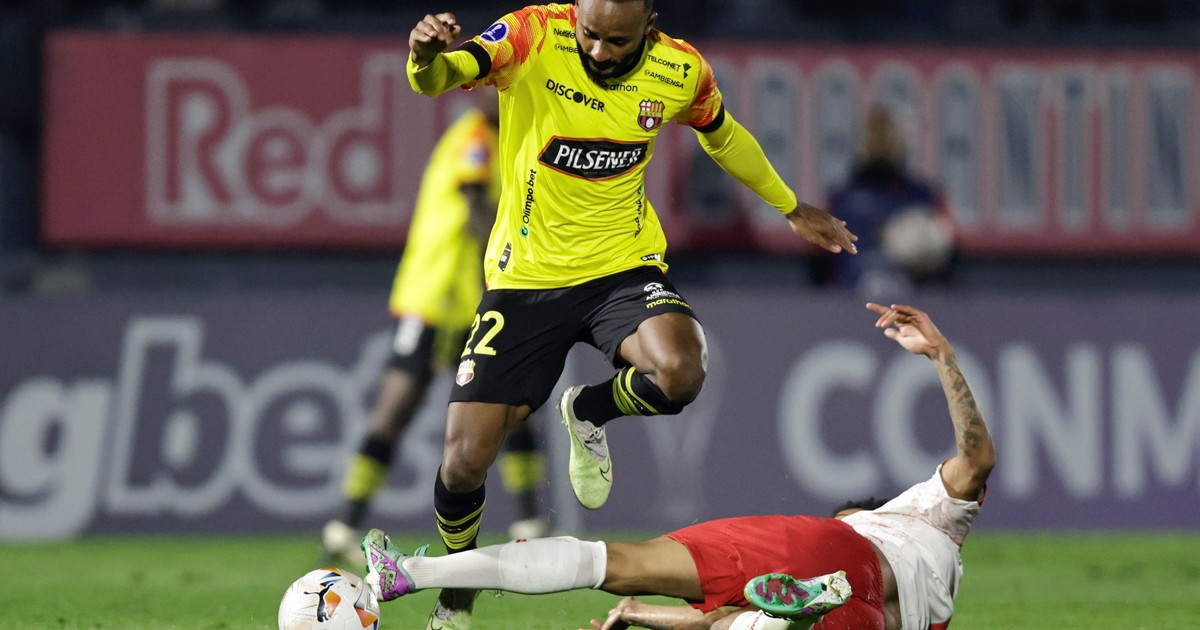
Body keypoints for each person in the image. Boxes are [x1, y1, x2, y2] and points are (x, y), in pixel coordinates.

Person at [402, 1, 859, 625]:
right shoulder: (533, 35)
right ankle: (459, 587)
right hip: (526, 280)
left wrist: (789, 206)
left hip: (622, 267)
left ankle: (589, 409)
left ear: (650, 23)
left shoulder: (680, 69)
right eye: (589, 35)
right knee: (462, 464)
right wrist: (424, 57)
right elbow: (440, 77)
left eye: (617, 41)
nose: (598, 51)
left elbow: (723, 134)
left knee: (681, 371)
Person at [363, 302, 996, 630]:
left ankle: (410, 573)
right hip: (859, 608)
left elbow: (977, 458)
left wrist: (939, 352)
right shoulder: (939, 545)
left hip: (819, 553)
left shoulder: (910, 516)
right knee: (791, 618)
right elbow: (713, 618)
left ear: (860, 511)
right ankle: (795, 616)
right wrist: (641, 615)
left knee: (609, 562)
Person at [320, 102, 553, 568]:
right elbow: (476, 212)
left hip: (472, 302)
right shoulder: (475, 138)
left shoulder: (510, 142)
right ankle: (343, 526)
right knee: (395, 410)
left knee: (512, 407)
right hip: (433, 298)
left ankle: (531, 524)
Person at [816, 105, 954, 301]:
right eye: (874, 137)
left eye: (888, 138)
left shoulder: (925, 199)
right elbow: (818, 267)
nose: (881, 145)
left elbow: (949, 256)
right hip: (850, 305)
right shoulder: (840, 201)